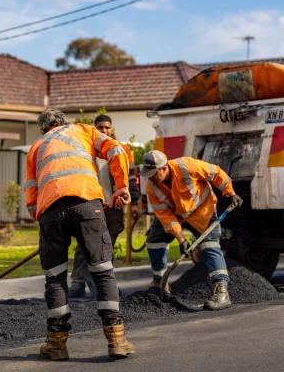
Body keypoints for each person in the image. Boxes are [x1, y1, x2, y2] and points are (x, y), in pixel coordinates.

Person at [24, 108, 135, 361]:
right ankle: (116, 340)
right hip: (87, 205)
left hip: (50, 212)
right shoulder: (84, 130)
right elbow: (116, 150)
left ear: (44, 129)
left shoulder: (36, 146)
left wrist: (45, 222)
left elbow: (31, 194)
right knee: (102, 270)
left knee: (54, 278)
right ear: (65, 122)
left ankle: (57, 345)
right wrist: (121, 187)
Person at [140, 150, 243, 310]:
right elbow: (165, 216)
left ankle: (221, 291)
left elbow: (216, 172)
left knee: (210, 246)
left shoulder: (188, 166)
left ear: (164, 168)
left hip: (201, 212)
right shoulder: (151, 186)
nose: (151, 177)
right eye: (148, 174)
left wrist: (230, 193)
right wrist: (181, 240)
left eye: (154, 173)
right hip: (175, 214)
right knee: (154, 241)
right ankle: (160, 284)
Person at [68, 114, 140, 298]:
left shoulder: (121, 148)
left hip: (113, 205)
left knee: (107, 245)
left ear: (112, 129)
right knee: (83, 244)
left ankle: (105, 284)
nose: (104, 130)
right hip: (90, 204)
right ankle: (77, 284)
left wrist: (134, 200)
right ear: (94, 129)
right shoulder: (86, 149)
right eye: (100, 127)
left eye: (107, 127)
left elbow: (131, 177)